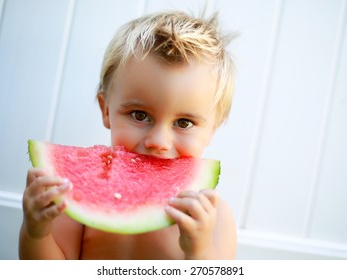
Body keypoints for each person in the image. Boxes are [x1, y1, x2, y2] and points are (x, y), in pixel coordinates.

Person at [19, 10, 237, 260]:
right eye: (140, 115)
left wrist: (199, 249)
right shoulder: (71, 199)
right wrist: (36, 233)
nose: (158, 141)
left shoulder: (216, 218)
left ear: (212, 130)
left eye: (184, 122)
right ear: (106, 110)